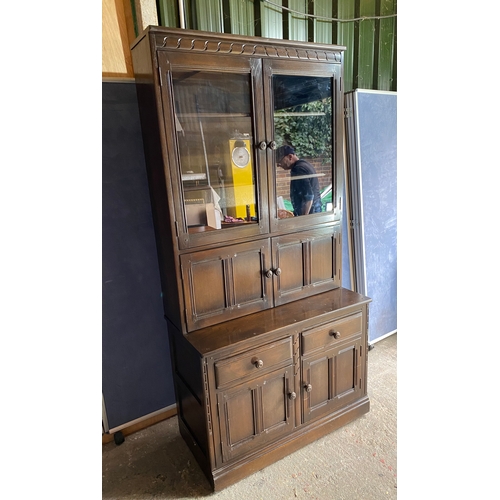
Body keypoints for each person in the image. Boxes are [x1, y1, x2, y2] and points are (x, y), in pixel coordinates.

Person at [276, 145, 322, 216]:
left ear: (290, 157)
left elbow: (309, 197)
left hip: (310, 215)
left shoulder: (298, 169)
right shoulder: (305, 164)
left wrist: (302, 219)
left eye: (280, 161)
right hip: (315, 213)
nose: (278, 165)